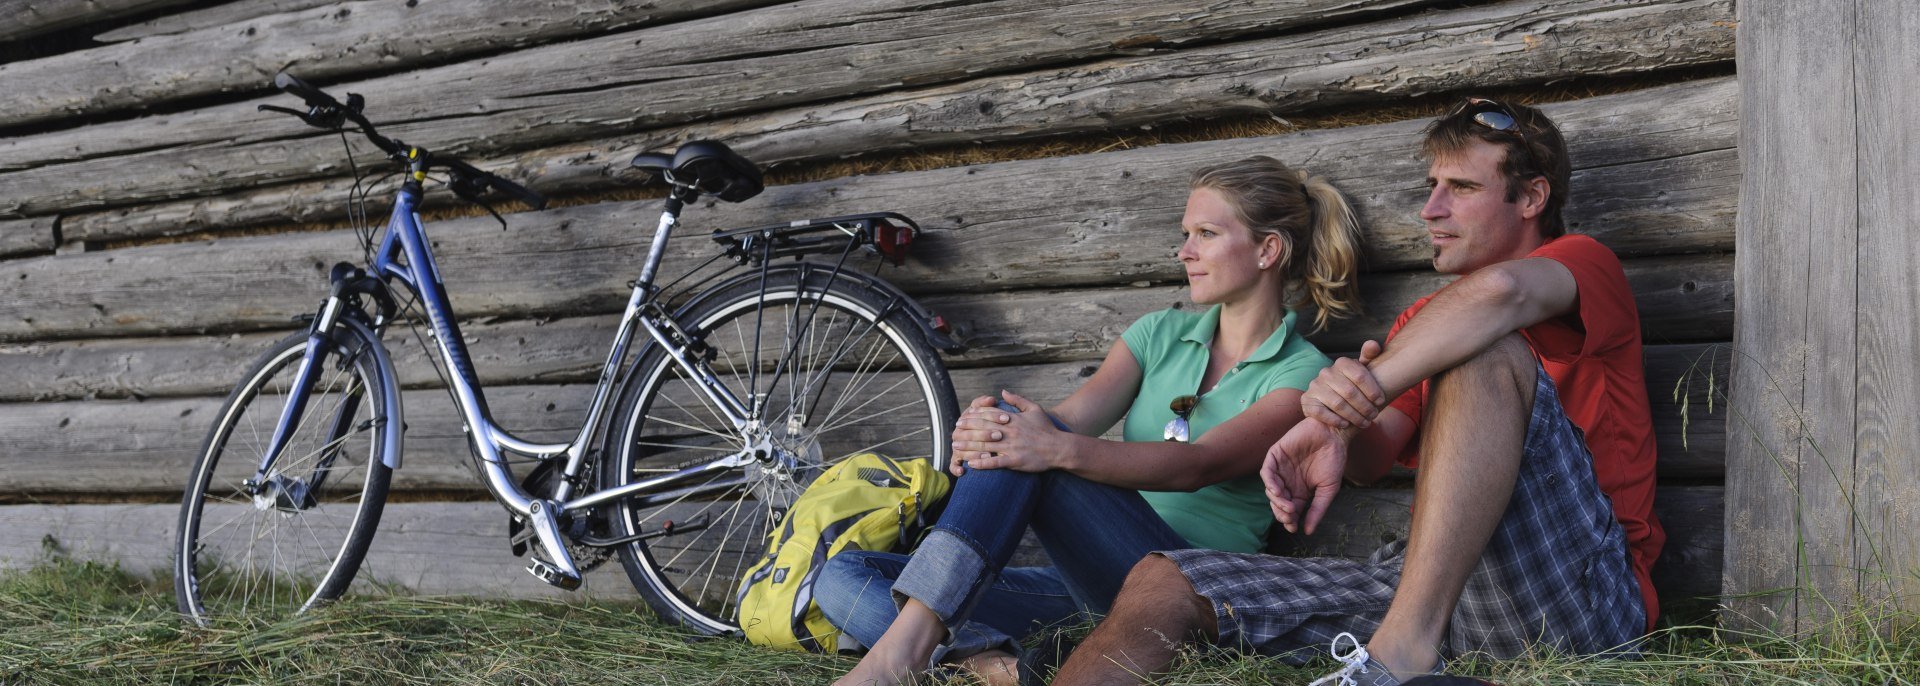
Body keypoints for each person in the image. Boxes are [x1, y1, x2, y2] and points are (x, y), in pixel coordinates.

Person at [1049, 99, 1665, 686]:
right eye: (1431, 186)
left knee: (1485, 347)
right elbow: (1374, 459)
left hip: (1579, 593)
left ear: (1531, 197)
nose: (1431, 209)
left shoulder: (1584, 263)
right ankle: (1405, 645)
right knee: (1168, 581)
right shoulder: (1423, 322)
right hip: (1437, 594)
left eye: (1463, 188)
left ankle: (1396, 657)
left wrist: (1362, 389)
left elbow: (1502, 294)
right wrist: (1340, 418)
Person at [819, 155, 1366, 686]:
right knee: (841, 577)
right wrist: (991, 428)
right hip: (1089, 582)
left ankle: (905, 653)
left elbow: (1198, 464)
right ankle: (998, 667)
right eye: (1185, 234)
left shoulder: (1300, 374)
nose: (1184, 252)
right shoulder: (1158, 334)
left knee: (1031, 442)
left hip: (1187, 592)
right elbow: (1066, 419)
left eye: (1205, 234)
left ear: (1268, 249)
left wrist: (1047, 445)